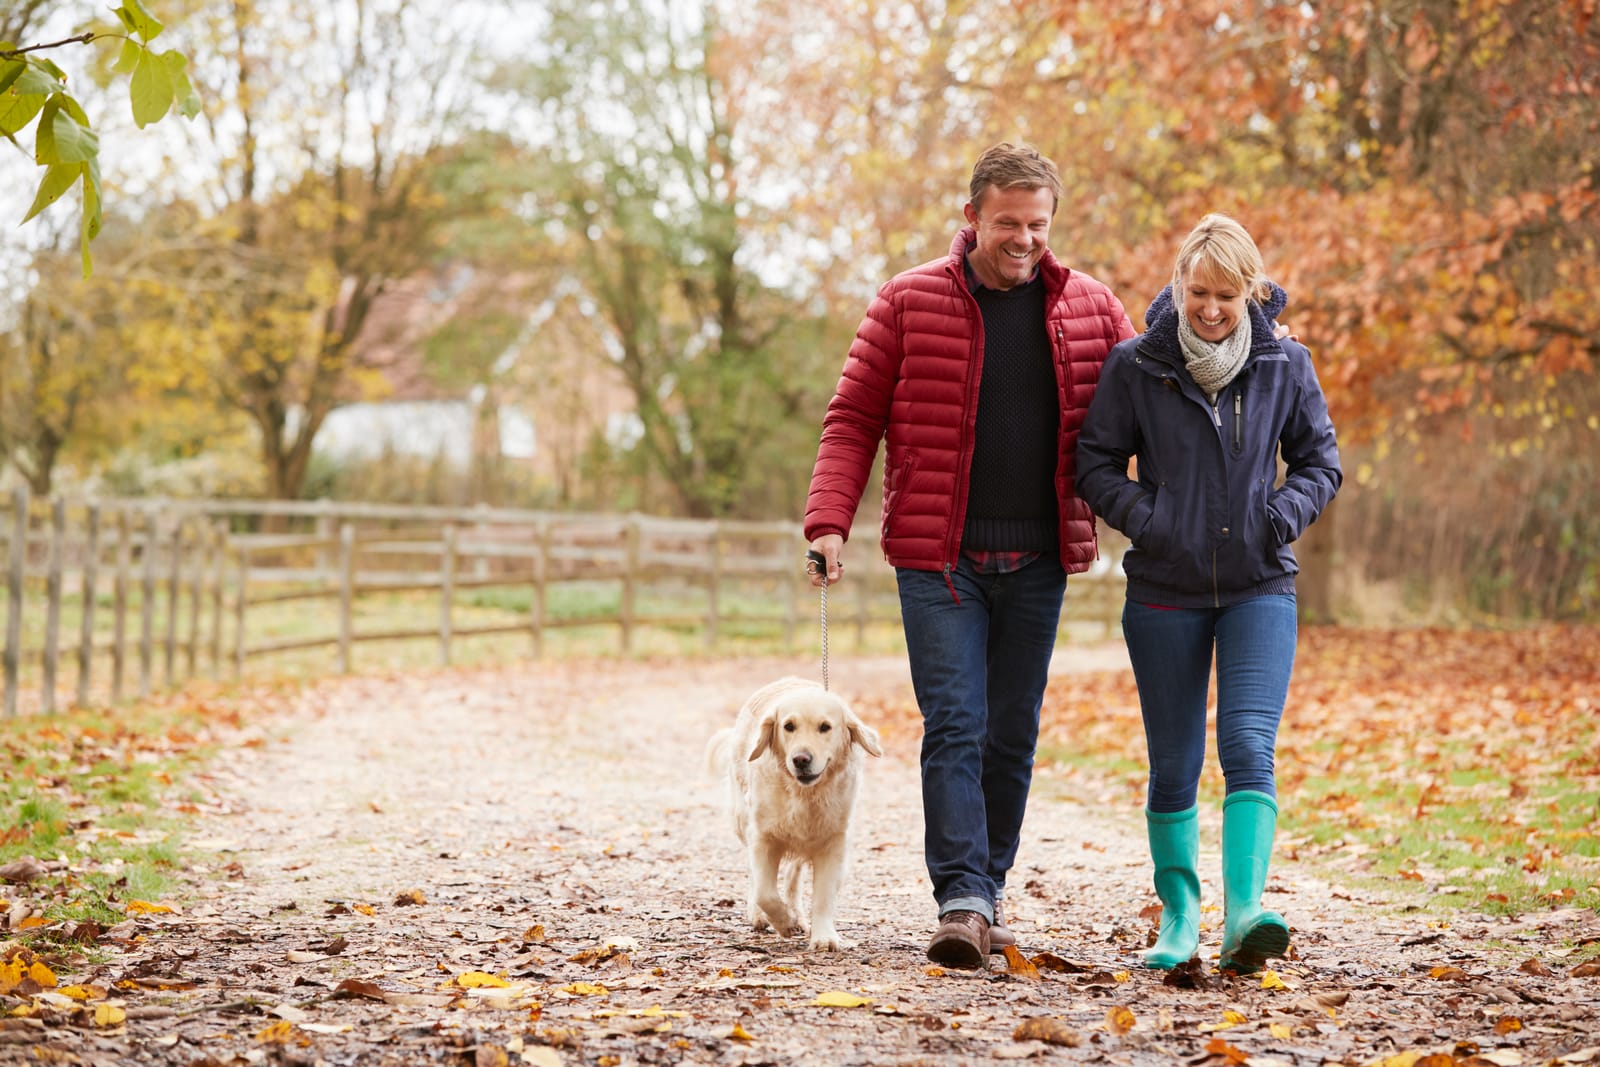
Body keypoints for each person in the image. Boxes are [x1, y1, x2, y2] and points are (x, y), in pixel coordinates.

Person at [803, 142, 1135, 969]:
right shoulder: (908, 301)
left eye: (1038, 225)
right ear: (972, 217)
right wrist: (828, 522)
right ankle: (961, 896)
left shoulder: (1092, 310)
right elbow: (852, 419)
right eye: (1007, 224)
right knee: (955, 722)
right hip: (937, 559)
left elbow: (1148, 410)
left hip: (1039, 561)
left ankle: (985, 889)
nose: (1023, 239)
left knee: (1011, 731)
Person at [1075, 213, 1341, 974]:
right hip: (1164, 589)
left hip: (1260, 584)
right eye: (1199, 293)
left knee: (1249, 745)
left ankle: (1246, 910)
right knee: (1174, 760)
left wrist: (1278, 516)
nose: (1212, 309)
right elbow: (1095, 464)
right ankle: (1181, 914)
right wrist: (1150, 521)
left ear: (1251, 292)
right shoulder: (1138, 365)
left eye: (1227, 294)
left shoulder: (1286, 365)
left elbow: (1321, 463)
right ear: (1179, 286)